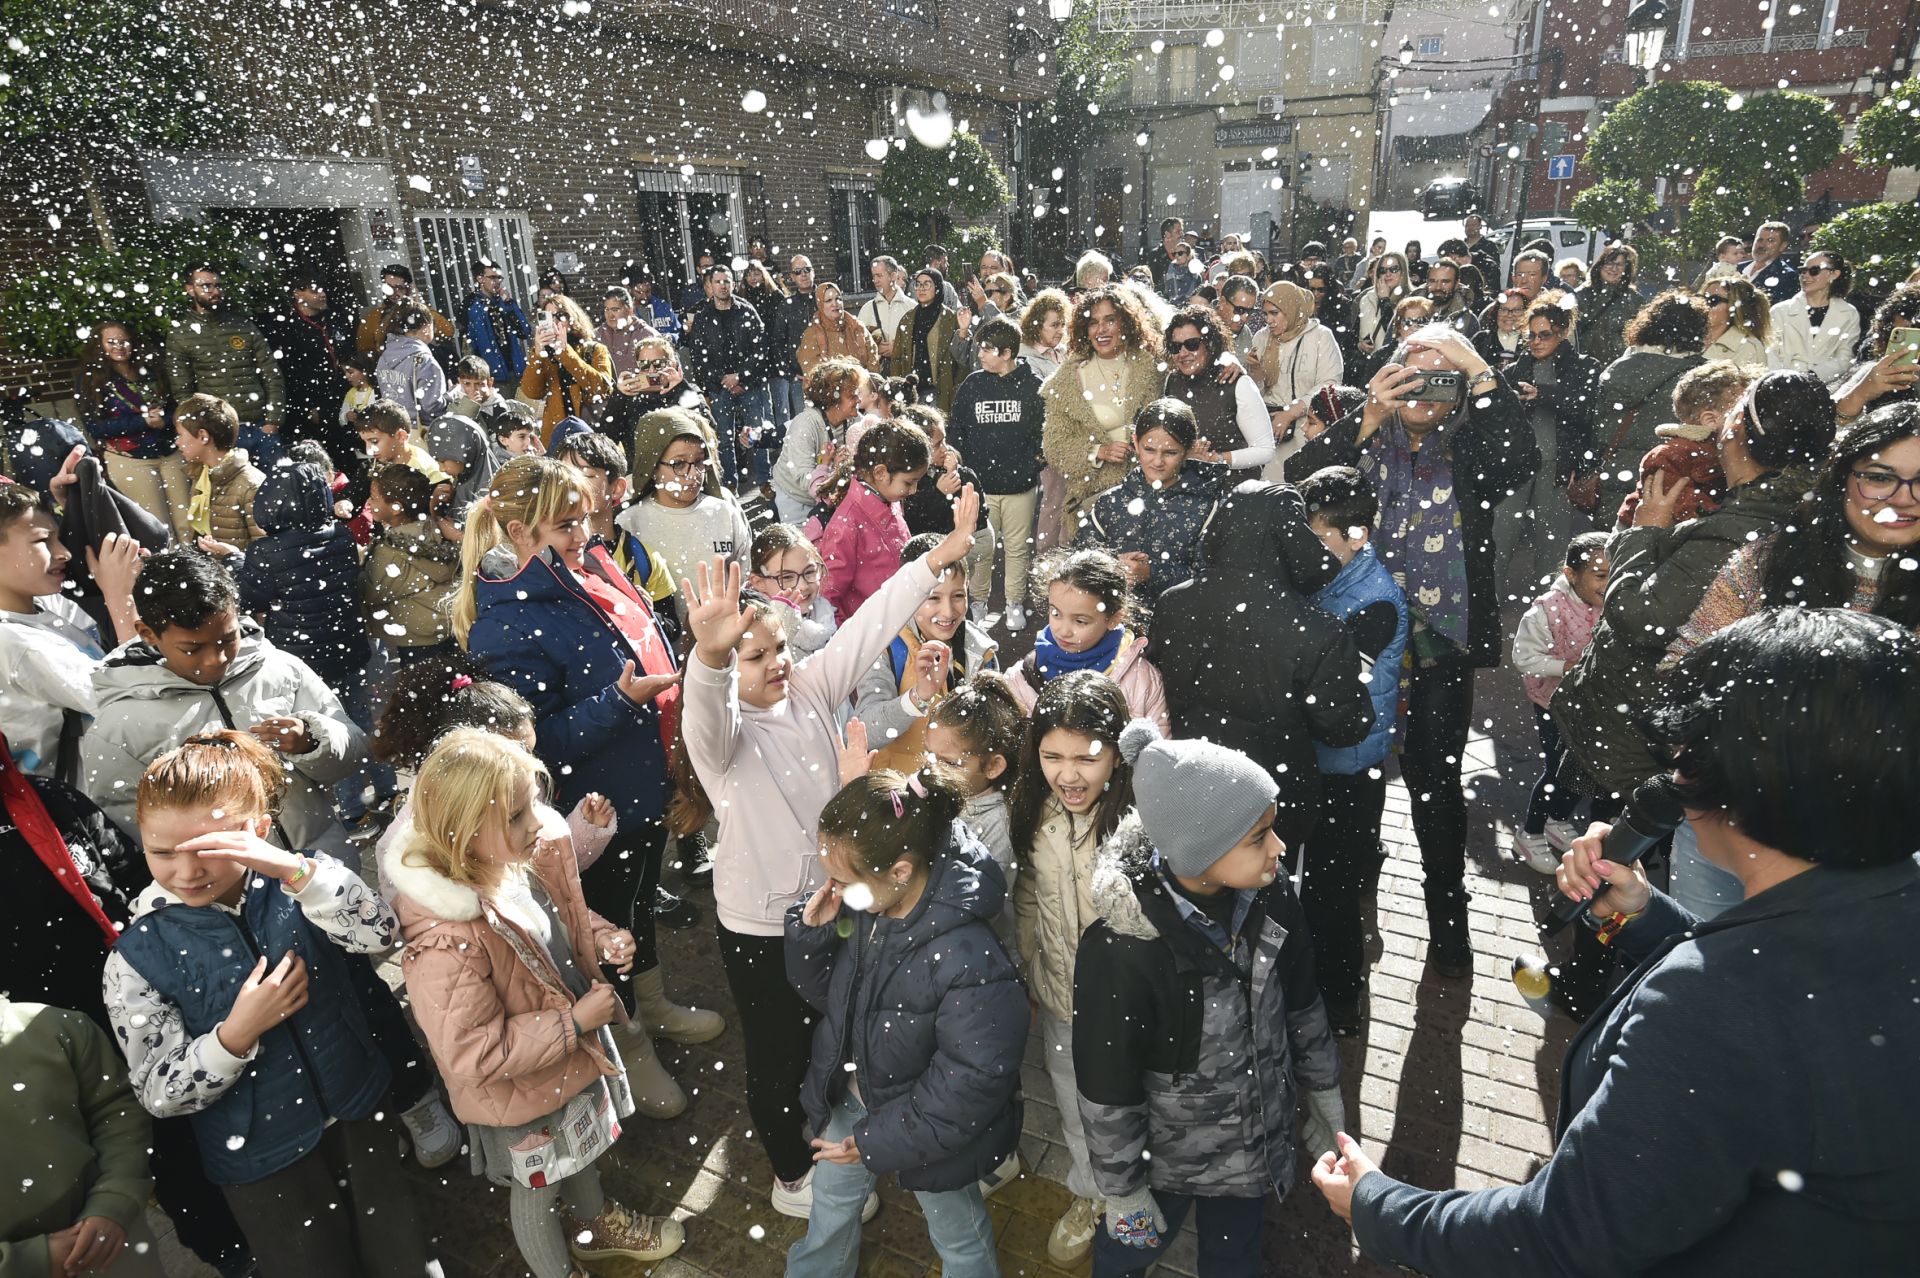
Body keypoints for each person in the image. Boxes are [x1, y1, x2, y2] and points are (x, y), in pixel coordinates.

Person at [1317, 606, 1920, 1275]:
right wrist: (1644, 916)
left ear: (1747, 780)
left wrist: (1377, 1206)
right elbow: (1806, 998)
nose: (1673, 776)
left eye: (1687, 754)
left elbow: (1564, 1235)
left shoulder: (1714, 1005)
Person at [673, 505, 978, 1217]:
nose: (776, 663)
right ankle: (790, 1174)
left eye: (779, 647)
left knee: (830, 1033)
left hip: (836, 909)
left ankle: (836, 1136)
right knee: (777, 1055)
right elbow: (704, 710)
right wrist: (710, 659)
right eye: (755, 657)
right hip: (763, 929)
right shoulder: (722, 739)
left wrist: (934, 562)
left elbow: (870, 623)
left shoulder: (808, 687)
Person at [102, 730, 434, 1278]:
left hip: (357, 1103)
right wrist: (235, 1035)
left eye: (210, 849)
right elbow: (159, 1092)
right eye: (162, 853)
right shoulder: (136, 955)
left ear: (257, 830)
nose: (186, 871)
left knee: (399, 1245)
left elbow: (379, 933)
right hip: (260, 1156)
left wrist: (299, 873)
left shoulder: (302, 881)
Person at [383, 729, 685, 1274]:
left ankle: (595, 1227)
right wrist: (573, 1023)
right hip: (520, 1095)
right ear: (464, 829)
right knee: (538, 1191)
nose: (538, 824)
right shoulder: (444, 941)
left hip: (559, 1068)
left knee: (580, 1149)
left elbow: (554, 926)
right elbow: (472, 1052)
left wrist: (601, 937)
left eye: (534, 806)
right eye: (518, 815)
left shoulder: (505, 867)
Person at [453, 456, 702, 1114]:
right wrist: (619, 703)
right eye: (566, 523)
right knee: (607, 935)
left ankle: (653, 1006)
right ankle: (630, 1046)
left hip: (640, 791)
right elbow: (532, 745)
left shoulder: (581, 571)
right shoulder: (505, 623)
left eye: (585, 518)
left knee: (639, 911)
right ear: (519, 532)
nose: (585, 534)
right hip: (595, 814)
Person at [1287, 325, 1536, 973]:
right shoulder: (1366, 436)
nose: (1425, 390)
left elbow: (1520, 458)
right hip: (1359, 636)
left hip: (1440, 642)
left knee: (1435, 778)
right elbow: (1299, 483)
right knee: (1357, 770)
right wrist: (1368, 414)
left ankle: (1448, 917)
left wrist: (1476, 366)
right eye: (1411, 375)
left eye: (1441, 377)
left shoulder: (1472, 446)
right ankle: (1357, 887)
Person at [1553, 369, 1831, 920]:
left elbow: (1641, 618)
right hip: (1698, 746)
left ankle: (1601, 949)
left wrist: (1646, 530)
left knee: (1614, 871)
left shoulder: (1746, 524)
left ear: (1736, 433)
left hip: (1653, 743)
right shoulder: (1796, 502)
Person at [1075, 721, 1344, 1278]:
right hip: (1166, 1160)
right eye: (1258, 837)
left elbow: (1301, 1001)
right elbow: (1107, 1083)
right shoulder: (1122, 950)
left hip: (1252, 1149)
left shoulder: (1272, 898)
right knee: (1128, 1252)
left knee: (1236, 1256)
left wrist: (1324, 1089)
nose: (1279, 848)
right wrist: (1123, 1188)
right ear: (1198, 851)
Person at [782, 766, 1027, 1278]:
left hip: (925, 1125)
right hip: (854, 1096)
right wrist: (812, 936)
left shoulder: (969, 957)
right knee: (830, 1207)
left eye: (842, 881)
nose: (832, 890)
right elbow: (832, 997)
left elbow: (971, 1080)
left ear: (899, 870)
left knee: (957, 1230)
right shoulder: (866, 907)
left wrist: (880, 1141)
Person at [1152, 477, 1373, 852]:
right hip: (1270, 805)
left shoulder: (1173, 603)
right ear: (1294, 539)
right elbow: (1344, 728)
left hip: (1191, 783)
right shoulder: (1317, 631)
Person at [1004, 671, 1137, 1265]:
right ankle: (1092, 1194)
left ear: (1118, 754)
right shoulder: (1035, 811)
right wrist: (1031, 969)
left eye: (1087, 757)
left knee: (1130, 1111)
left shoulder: (1141, 823)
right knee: (1075, 1109)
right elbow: (1028, 897)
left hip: (1128, 1013)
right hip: (1060, 1001)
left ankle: (1133, 1196)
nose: (1069, 774)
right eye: (1052, 756)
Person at [1669, 404, 1920, 660]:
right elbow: (1685, 666)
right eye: (1880, 478)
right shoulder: (1766, 561)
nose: (1903, 499)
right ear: (1840, 481)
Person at [1, 993, 169, 1278]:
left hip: (113, 1249)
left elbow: (117, 1113)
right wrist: (22, 1263)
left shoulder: (55, 1027)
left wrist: (114, 1199)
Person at [0, 484, 143, 779]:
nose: (64, 552)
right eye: (43, 540)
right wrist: (121, 599)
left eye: (59, 538)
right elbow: (136, 705)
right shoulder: (17, 643)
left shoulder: (38, 606)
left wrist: (79, 507)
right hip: (86, 802)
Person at [1510, 531, 1610, 873]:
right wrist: (1565, 667)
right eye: (1600, 575)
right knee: (1557, 769)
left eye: (1613, 574)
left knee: (1582, 766)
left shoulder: (1611, 601)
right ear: (1571, 574)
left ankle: (1556, 819)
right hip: (1552, 703)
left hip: (1591, 702)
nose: (1608, 583)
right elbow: (1524, 658)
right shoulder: (1545, 610)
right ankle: (1530, 832)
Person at [853, 532, 999, 766]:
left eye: (958, 596)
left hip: (957, 785)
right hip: (899, 783)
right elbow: (866, 732)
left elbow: (994, 730)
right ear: (908, 595)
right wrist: (918, 697)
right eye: (933, 598)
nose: (948, 612)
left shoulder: (980, 650)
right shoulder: (884, 646)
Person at [235, 459, 370, 695]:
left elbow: (249, 601)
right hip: (347, 647)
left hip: (299, 656)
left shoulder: (267, 550)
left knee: (310, 713)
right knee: (355, 709)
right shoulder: (342, 535)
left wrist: (233, 561)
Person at [1041, 285, 1167, 537]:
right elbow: (1054, 444)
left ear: (1125, 323)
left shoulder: (1151, 368)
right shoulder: (1068, 379)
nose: (1101, 330)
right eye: (1093, 323)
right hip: (1094, 501)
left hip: (1149, 494)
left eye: (1110, 320)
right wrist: (1098, 451)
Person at [949, 315, 1047, 628]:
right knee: (979, 550)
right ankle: (977, 604)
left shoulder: (1033, 387)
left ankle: (1014, 603)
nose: (979, 354)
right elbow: (956, 429)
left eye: (986, 349)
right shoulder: (972, 384)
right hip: (979, 488)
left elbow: (1045, 434)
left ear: (1007, 353)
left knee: (1018, 549)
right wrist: (964, 469)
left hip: (1020, 487)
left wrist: (1032, 463)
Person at [1079, 398, 1225, 607]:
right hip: (1114, 621)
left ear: (1188, 449)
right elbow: (1078, 564)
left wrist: (1151, 573)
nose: (1157, 462)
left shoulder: (1208, 508)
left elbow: (1213, 582)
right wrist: (1111, 567)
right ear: (1135, 442)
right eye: (1149, 449)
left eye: (1170, 452)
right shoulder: (1110, 502)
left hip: (1177, 621)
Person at [1501, 293, 1599, 595]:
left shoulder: (1584, 366)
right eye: (1531, 335)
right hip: (1517, 465)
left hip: (1559, 468)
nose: (1536, 341)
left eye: (1544, 335)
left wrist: (1543, 395)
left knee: (1553, 547)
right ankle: (1488, 604)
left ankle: (1551, 608)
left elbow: (1586, 410)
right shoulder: (1517, 369)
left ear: (1563, 332)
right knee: (1500, 538)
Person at [1007, 547, 1168, 730]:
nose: (1064, 631)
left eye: (1080, 621)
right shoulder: (1020, 678)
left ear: (1114, 618)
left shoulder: (1141, 680)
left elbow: (1157, 745)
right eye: (1055, 613)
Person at [1582, 290, 1709, 522]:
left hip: (1612, 477)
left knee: (1608, 541)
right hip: (1665, 482)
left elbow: (1597, 430)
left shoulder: (1617, 369)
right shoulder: (1698, 377)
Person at [615, 407, 752, 610]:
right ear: (653, 467)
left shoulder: (724, 512)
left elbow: (746, 578)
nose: (693, 473)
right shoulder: (628, 522)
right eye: (678, 464)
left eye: (699, 462)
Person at [76, 320, 192, 540]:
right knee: (158, 526)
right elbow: (96, 427)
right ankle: (171, 563)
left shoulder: (150, 371)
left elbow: (177, 408)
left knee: (188, 520)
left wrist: (165, 420)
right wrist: (142, 422)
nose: (119, 346)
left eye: (124, 341)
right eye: (111, 342)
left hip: (170, 452)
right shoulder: (92, 379)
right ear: (99, 345)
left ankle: (193, 560)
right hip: (130, 459)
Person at [166, 265, 286, 469]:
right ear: (190, 289)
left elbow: (271, 374)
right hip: (220, 433)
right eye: (206, 286)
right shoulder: (180, 335)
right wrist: (205, 431)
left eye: (218, 286)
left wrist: (273, 421)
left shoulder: (243, 326)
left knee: (279, 486)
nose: (215, 291)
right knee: (231, 488)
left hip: (261, 427)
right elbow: (183, 393)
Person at [817, 418, 931, 622]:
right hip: (872, 631)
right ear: (880, 473)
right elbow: (827, 601)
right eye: (909, 482)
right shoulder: (845, 526)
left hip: (898, 624)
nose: (914, 490)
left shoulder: (890, 499)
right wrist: (854, 637)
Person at [924, 672, 1025, 902]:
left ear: (993, 766)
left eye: (950, 763)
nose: (932, 770)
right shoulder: (927, 795)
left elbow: (974, 902)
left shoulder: (997, 824)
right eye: (928, 755)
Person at [1615, 359, 1744, 529]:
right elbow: (1676, 498)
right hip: (1637, 527)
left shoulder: (1725, 447)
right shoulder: (1673, 452)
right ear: (1711, 420)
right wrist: (1715, 515)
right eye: (1742, 411)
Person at [1160, 304, 1275, 477]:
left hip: (1232, 485)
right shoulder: (1173, 382)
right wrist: (1185, 454)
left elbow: (1265, 450)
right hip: (1186, 484)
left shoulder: (1236, 383)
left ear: (1209, 344)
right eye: (1175, 347)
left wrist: (1215, 459)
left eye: (1192, 344)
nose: (1183, 353)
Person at [683, 264, 770, 489]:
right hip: (719, 388)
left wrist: (740, 377)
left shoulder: (747, 311)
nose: (722, 286)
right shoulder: (703, 317)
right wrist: (725, 381)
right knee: (723, 438)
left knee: (756, 434)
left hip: (748, 385)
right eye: (718, 281)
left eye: (726, 281)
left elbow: (760, 350)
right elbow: (699, 358)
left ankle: (764, 481)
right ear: (710, 286)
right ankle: (730, 484)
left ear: (733, 284)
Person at [362, 464, 461, 663]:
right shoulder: (433, 528)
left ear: (396, 508)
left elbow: (370, 593)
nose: (368, 503)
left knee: (421, 680)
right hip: (445, 627)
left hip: (416, 639)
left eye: (373, 498)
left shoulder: (388, 551)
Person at [174, 394, 266, 559]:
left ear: (203, 436)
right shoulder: (201, 474)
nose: (177, 442)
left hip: (238, 572)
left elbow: (264, 550)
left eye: (180, 435)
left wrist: (232, 558)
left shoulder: (250, 484)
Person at [521, 293, 614, 445]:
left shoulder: (594, 350)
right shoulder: (544, 356)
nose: (555, 322)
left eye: (560, 316)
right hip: (558, 438)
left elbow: (601, 388)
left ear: (573, 319)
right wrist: (538, 353)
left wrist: (565, 353)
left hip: (592, 435)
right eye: (548, 317)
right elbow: (531, 391)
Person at [1767, 249, 1859, 387]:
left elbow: (1845, 358)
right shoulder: (1779, 311)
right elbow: (1770, 353)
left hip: (1827, 387)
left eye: (1814, 270)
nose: (1805, 276)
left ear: (1834, 274)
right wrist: (1785, 382)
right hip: (1782, 386)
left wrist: (1813, 376)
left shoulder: (1849, 313)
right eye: (1803, 270)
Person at [747, 522, 836, 663]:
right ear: (759, 582)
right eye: (787, 577)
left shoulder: (826, 612)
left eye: (809, 572)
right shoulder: (754, 633)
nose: (803, 586)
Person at [889, 268, 965, 415]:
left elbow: (960, 360)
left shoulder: (950, 320)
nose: (921, 288)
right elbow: (897, 358)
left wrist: (955, 389)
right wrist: (897, 387)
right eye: (918, 284)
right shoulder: (908, 319)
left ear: (937, 287)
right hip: (912, 390)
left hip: (940, 390)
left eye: (927, 284)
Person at [375, 306, 450, 427]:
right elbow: (433, 407)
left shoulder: (384, 357)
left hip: (395, 428)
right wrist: (452, 396)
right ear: (426, 327)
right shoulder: (424, 361)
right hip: (422, 431)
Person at [765, 254, 817, 425]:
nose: (803, 274)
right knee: (806, 426)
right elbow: (777, 342)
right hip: (800, 379)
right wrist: (790, 373)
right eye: (798, 271)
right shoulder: (787, 306)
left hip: (828, 376)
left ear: (813, 271)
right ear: (792, 277)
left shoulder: (825, 299)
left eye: (807, 269)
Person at [463, 257, 532, 384]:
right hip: (490, 376)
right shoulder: (471, 306)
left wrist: (509, 304)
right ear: (480, 279)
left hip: (516, 370)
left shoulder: (505, 303)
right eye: (493, 278)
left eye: (499, 278)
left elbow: (525, 331)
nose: (497, 282)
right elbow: (471, 344)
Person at [1571, 243, 1639, 371]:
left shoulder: (1634, 300)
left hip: (1618, 368)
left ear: (1626, 269)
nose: (1614, 268)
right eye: (1609, 263)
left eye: (1619, 264)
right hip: (1583, 366)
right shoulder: (1580, 295)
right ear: (1600, 265)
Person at [796, 280, 878, 375]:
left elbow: (873, 360)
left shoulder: (857, 327)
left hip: (861, 382)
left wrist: (865, 380)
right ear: (820, 305)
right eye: (828, 300)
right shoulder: (812, 334)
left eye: (838, 299)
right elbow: (812, 371)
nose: (834, 304)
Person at [1700, 275, 1771, 367]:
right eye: (1701, 299)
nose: (1703, 305)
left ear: (1735, 307)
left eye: (1713, 300)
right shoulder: (1688, 337)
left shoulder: (1748, 347)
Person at [857, 255, 915, 363]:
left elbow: (921, 343)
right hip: (877, 371)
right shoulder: (867, 310)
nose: (875, 280)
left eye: (879, 275)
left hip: (906, 369)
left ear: (893, 276)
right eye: (874, 276)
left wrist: (898, 348)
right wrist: (873, 349)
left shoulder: (912, 307)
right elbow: (857, 345)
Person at [1355, 253, 1411, 357]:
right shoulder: (1366, 299)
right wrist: (1360, 345)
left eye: (1394, 269)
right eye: (1383, 270)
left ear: (1402, 272)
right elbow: (1352, 337)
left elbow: (1394, 333)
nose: (1388, 274)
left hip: (1396, 360)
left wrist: (1384, 300)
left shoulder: (1411, 300)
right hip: (1371, 362)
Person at [596, 285, 658, 378]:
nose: (610, 315)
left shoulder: (648, 335)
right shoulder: (596, 336)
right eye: (607, 310)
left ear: (630, 310)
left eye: (615, 310)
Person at [1738, 217, 1801, 302]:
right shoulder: (1736, 268)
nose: (1762, 245)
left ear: (1782, 246)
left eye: (1770, 240)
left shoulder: (1787, 277)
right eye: (1759, 239)